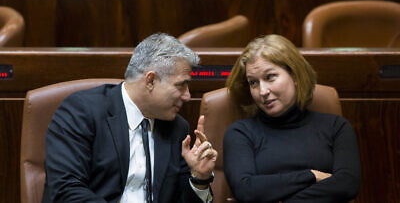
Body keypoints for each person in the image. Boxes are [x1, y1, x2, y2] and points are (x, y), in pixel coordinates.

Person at [42, 33, 218, 203]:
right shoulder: (81, 112)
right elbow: (66, 190)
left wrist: (199, 179)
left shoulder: (177, 129)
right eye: (181, 85)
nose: (187, 96)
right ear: (150, 81)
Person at [223, 34, 361, 203]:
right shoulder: (240, 133)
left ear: (295, 75)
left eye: (270, 77)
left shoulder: (336, 127)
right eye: (253, 82)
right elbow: (245, 190)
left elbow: (347, 184)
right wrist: (312, 176)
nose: (262, 91)